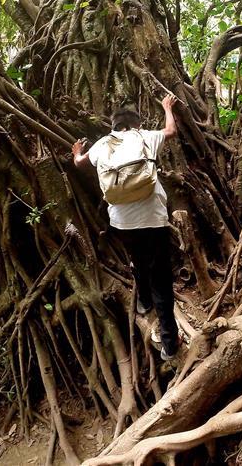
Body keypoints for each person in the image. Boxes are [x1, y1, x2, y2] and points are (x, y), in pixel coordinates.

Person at [72, 94, 181, 360]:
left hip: (122, 221)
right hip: (153, 217)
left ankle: (143, 302)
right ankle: (170, 344)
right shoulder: (144, 136)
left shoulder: (101, 144)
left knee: (138, 260)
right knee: (162, 278)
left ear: (113, 127)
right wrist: (167, 107)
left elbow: (79, 163)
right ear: (136, 124)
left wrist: (76, 151)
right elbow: (171, 131)